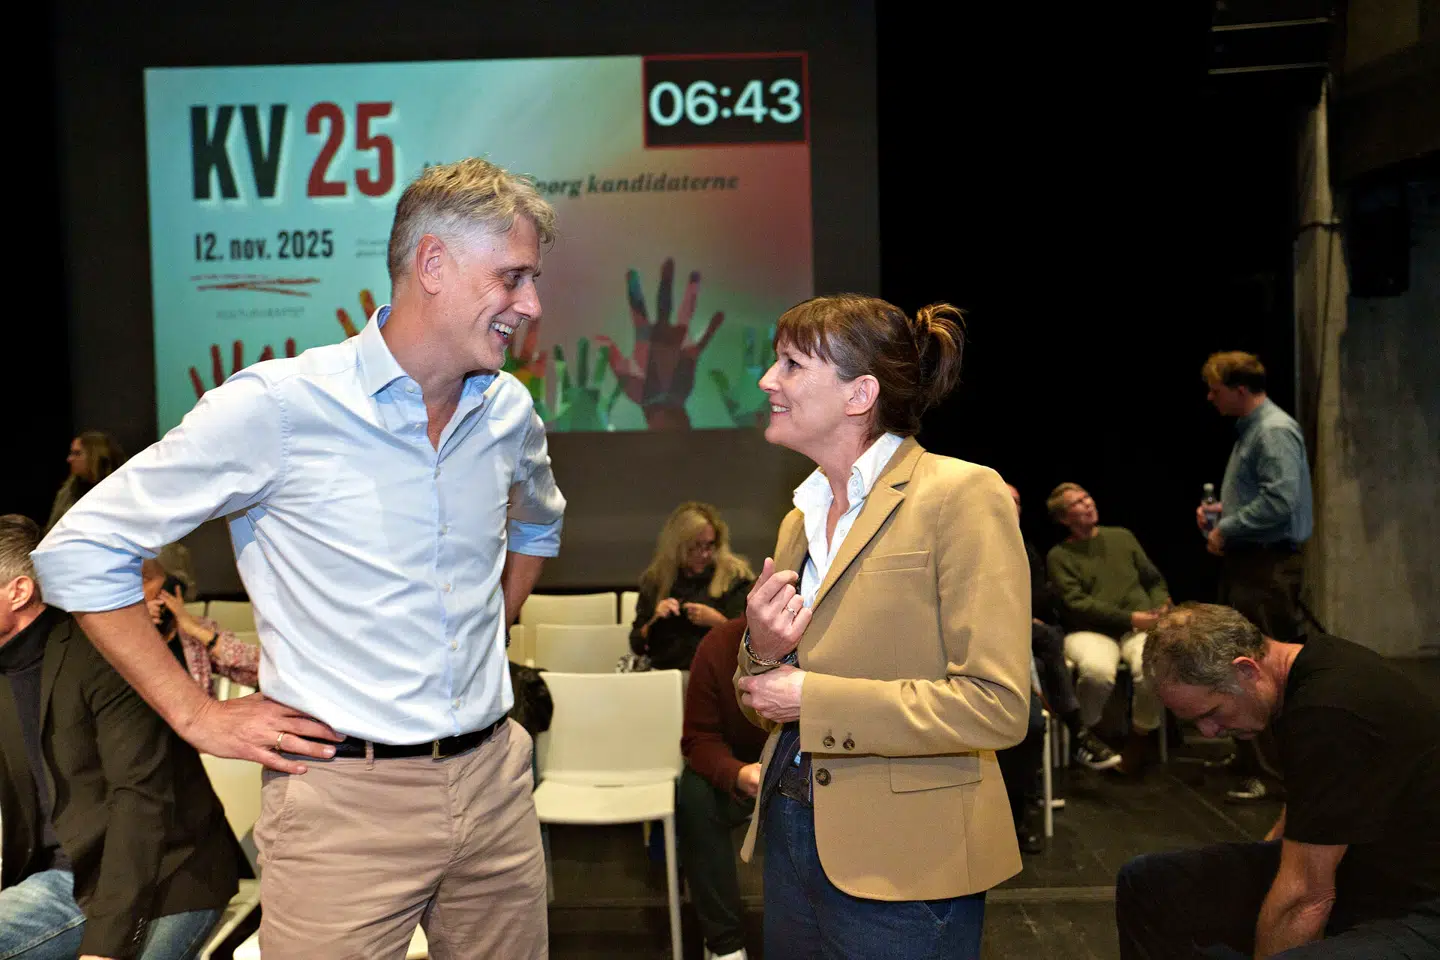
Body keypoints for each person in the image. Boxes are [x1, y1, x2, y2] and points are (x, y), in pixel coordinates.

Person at [32, 158, 565, 959]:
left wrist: (490, 624)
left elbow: (536, 527)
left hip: (495, 786)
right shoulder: (277, 408)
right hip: (342, 809)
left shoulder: (508, 410)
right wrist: (194, 713)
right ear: (432, 265)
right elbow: (78, 550)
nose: (531, 304)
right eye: (513, 277)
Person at [735, 295, 1031, 958]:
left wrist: (813, 698)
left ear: (859, 393)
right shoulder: (798, 521)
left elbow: (999, 706)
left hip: (908, 863)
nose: (766, 381)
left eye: (789, 364)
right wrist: (760, 649)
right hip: (791, 831)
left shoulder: (961, 495)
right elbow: (760, 700)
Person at [1116, 603, 1440, 958]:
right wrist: (1268, 881)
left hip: (1418, 906)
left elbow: (1306, 898)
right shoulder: (1305, 666)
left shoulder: (1330, 710)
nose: (1208, 732)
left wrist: (1280, 907)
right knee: (1148, 884)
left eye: (1212, 713)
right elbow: (1308, 807)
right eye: (1194, 722)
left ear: (1246, 669)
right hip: (1359, 873)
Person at [0, 514, 237, 960]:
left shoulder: (101, 654)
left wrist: (106, 946)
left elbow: (140, 799)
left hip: (166, 875)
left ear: (19, 591)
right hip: (62, 876)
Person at [1199, 351, 1314, 803]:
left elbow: (1281, 501)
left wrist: (1228, 527)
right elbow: (1263, 497)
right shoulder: (1254, 430)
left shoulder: (1272, 430)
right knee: (1240, 661)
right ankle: (1251, 759)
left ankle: (1272, 775)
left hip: (1266, 567)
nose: (1210, 398)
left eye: (1215, 389)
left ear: (1239, 389)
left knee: (1260, 671)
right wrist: (1224, 514)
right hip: (1251, 563)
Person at [1046, 483, 1171, 775]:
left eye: (1087, 496)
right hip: (1091, 631)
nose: (1088, 503)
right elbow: (1078, 604)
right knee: (1097, 672)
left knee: (1151, 665)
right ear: (1064, 518)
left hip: (1138, 628)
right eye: (1077, 503)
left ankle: (1139, 741)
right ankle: (1085, 736)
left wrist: (1159, 606)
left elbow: (1153, 579)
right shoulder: (1060, 555)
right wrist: (1131, 618)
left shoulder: (1121, 537)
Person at [1007, 482, 1120, 771]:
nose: (1013, 507)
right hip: (990, 633)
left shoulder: (1026, 549)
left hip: (1026, 635)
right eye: (1005, 499)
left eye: (1018, 502)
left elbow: (1040, 598)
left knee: (1044, 657)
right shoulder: (972, 543)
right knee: (1047, 640)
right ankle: (1077, 734)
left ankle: (1045, 772)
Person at [677, 616, 769, 960]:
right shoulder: (719, 645)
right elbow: (698, 739)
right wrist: (738, 773)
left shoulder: (830, 641)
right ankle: (726, 945)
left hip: (815, 768)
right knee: (695, 794)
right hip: (744, 769)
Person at [630, 501, 754, 670]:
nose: (703, 554)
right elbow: (637, 643)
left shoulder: (734, 577)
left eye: (709, 545)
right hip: (664, 670)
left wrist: (718, 622)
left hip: (716, 670)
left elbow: (752, 640)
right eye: (695, 546)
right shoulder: (655, 580)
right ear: (678, 546)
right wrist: (655, 621)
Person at [140, 548, 259, 697]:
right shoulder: (118, 637)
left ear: (171, 587)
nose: (136, 592)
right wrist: (138, 627)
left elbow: (260, 671)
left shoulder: (194, 632)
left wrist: (197, 631)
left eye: (144, 580)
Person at [44, 431, 124, 533]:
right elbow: (52, 531)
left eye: (77, 453)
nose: (69, 459)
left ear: (95, 456)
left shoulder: (120, 490)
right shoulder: (68, 491)